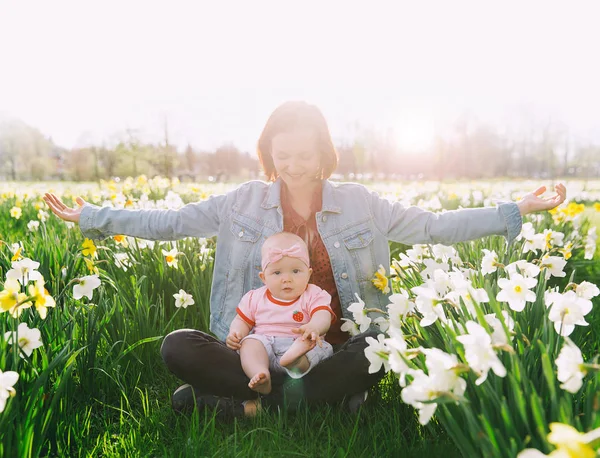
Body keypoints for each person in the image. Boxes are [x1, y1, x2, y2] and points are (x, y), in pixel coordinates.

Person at [43, 100, 567, 419]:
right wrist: (93, 216)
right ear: (269, 154)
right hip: (257, 355)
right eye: (281, 154)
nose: (293, 165)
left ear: (325, 154)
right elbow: (169, 223)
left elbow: (433, 226)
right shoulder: (242, 202)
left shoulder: (362, 203)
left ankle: (248, 408)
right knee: (178, 345)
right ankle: (301, 402)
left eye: (304, 154)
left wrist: (514, 209)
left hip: (333, 350)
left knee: (377, 347)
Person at [228, 232, 336, 414]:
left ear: (309, 274)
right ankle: (261, 374)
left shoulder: (313, 294)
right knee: (250, 343)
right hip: (266, 346)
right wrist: (236, 333)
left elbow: (323, 315)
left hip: (300, 343)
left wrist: (314, 327)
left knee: (318, 346)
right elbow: (241, 321)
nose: (287, 279)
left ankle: (297, 361)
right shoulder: (254, 297)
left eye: (295, 271)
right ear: (264, 277)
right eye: (277, 272)